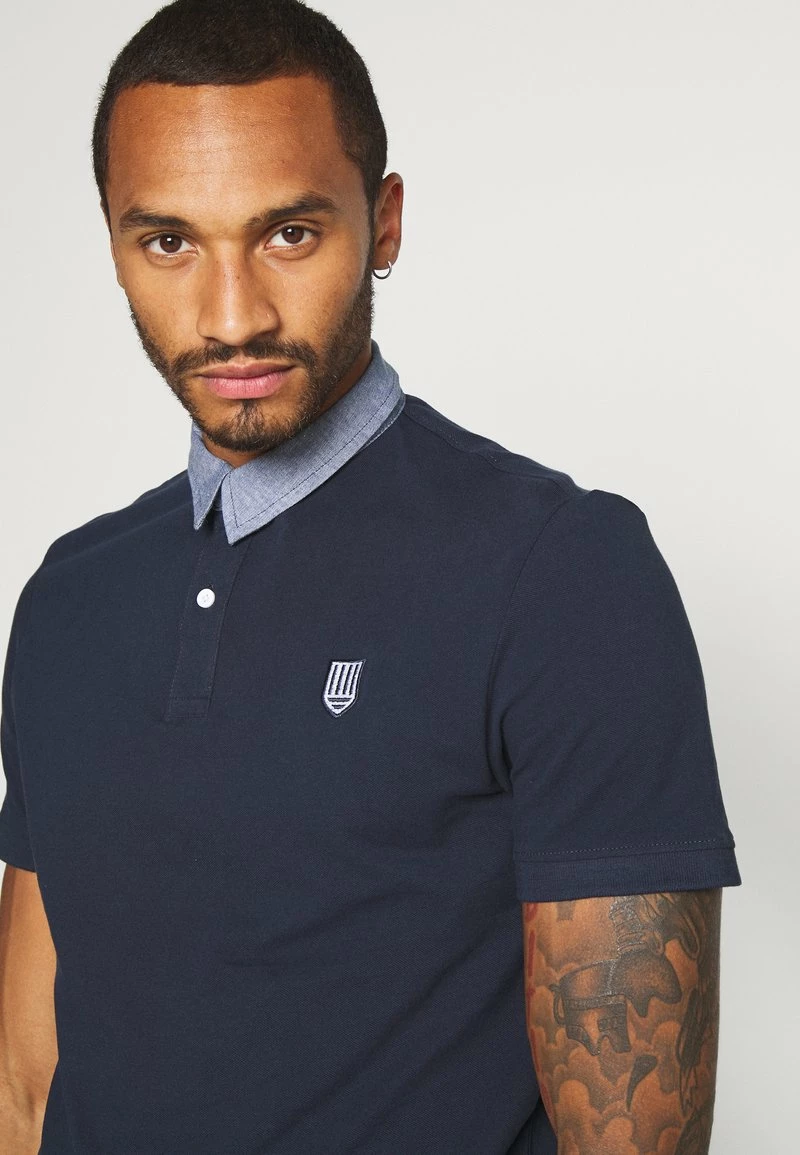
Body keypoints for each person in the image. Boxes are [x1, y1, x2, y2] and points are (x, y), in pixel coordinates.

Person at [0, 1, 741, 1152]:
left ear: (382, 222)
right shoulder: (67, 601)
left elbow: (629, 1135)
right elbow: (28, 1084)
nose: (232, 316)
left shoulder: (562, 573)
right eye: (169, 242)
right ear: (112, 241)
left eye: (289, 233)